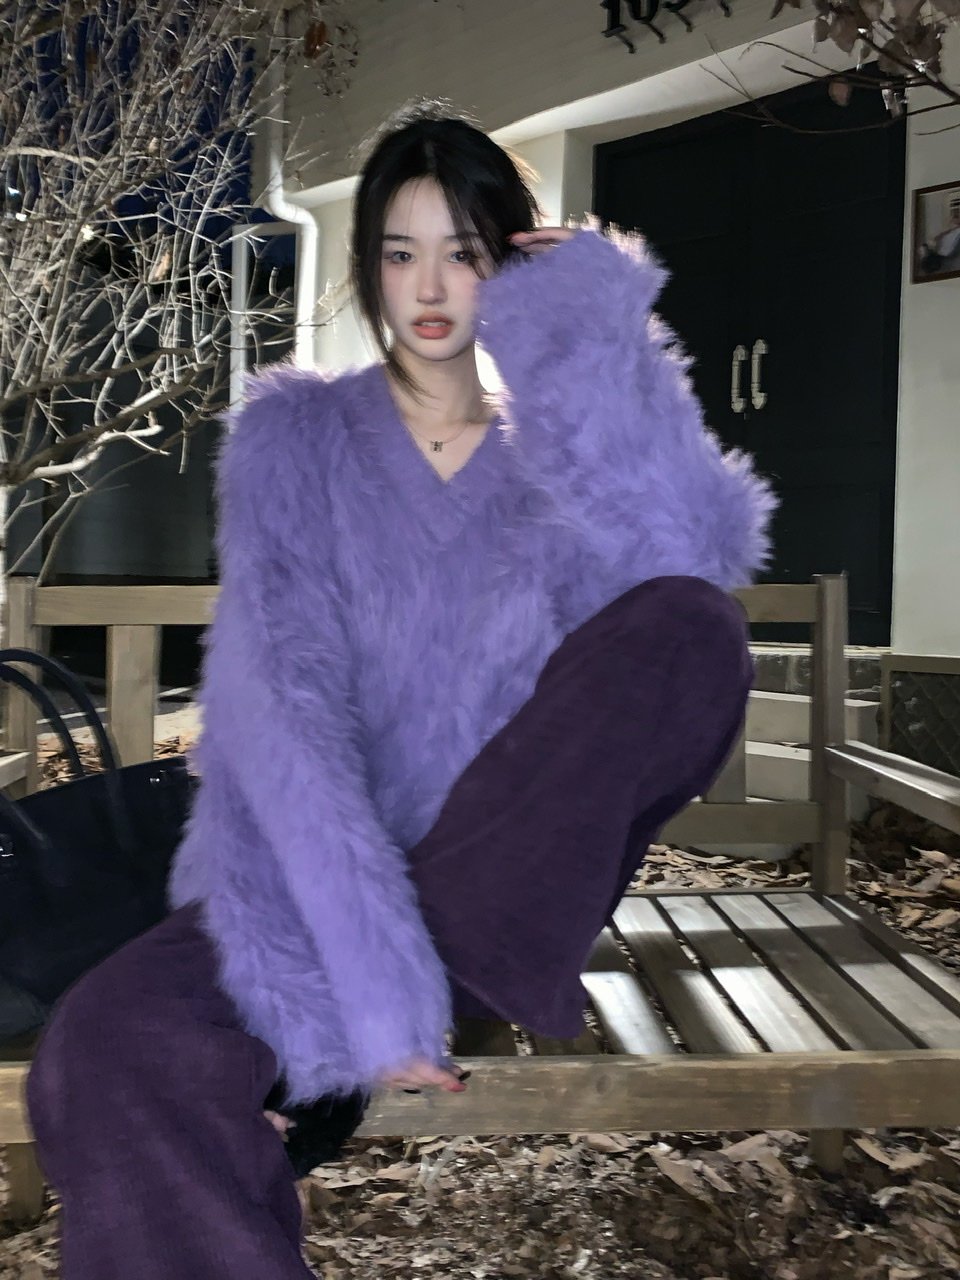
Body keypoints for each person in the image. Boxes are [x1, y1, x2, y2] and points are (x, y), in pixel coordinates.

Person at [26, 98, 775, 1278]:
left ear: (506, 270)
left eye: (464, 252)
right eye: (397, 251)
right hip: (322, 871)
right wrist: (376, 969)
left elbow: (694, 558)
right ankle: (338, 1035)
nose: (428, 287)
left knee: (690, 622)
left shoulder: (554, 451)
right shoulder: (299, 439)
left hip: (498, 881)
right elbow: (284, 706)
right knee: (110, 1039)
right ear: (369, 265)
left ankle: (387, 1001)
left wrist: (594, 340)